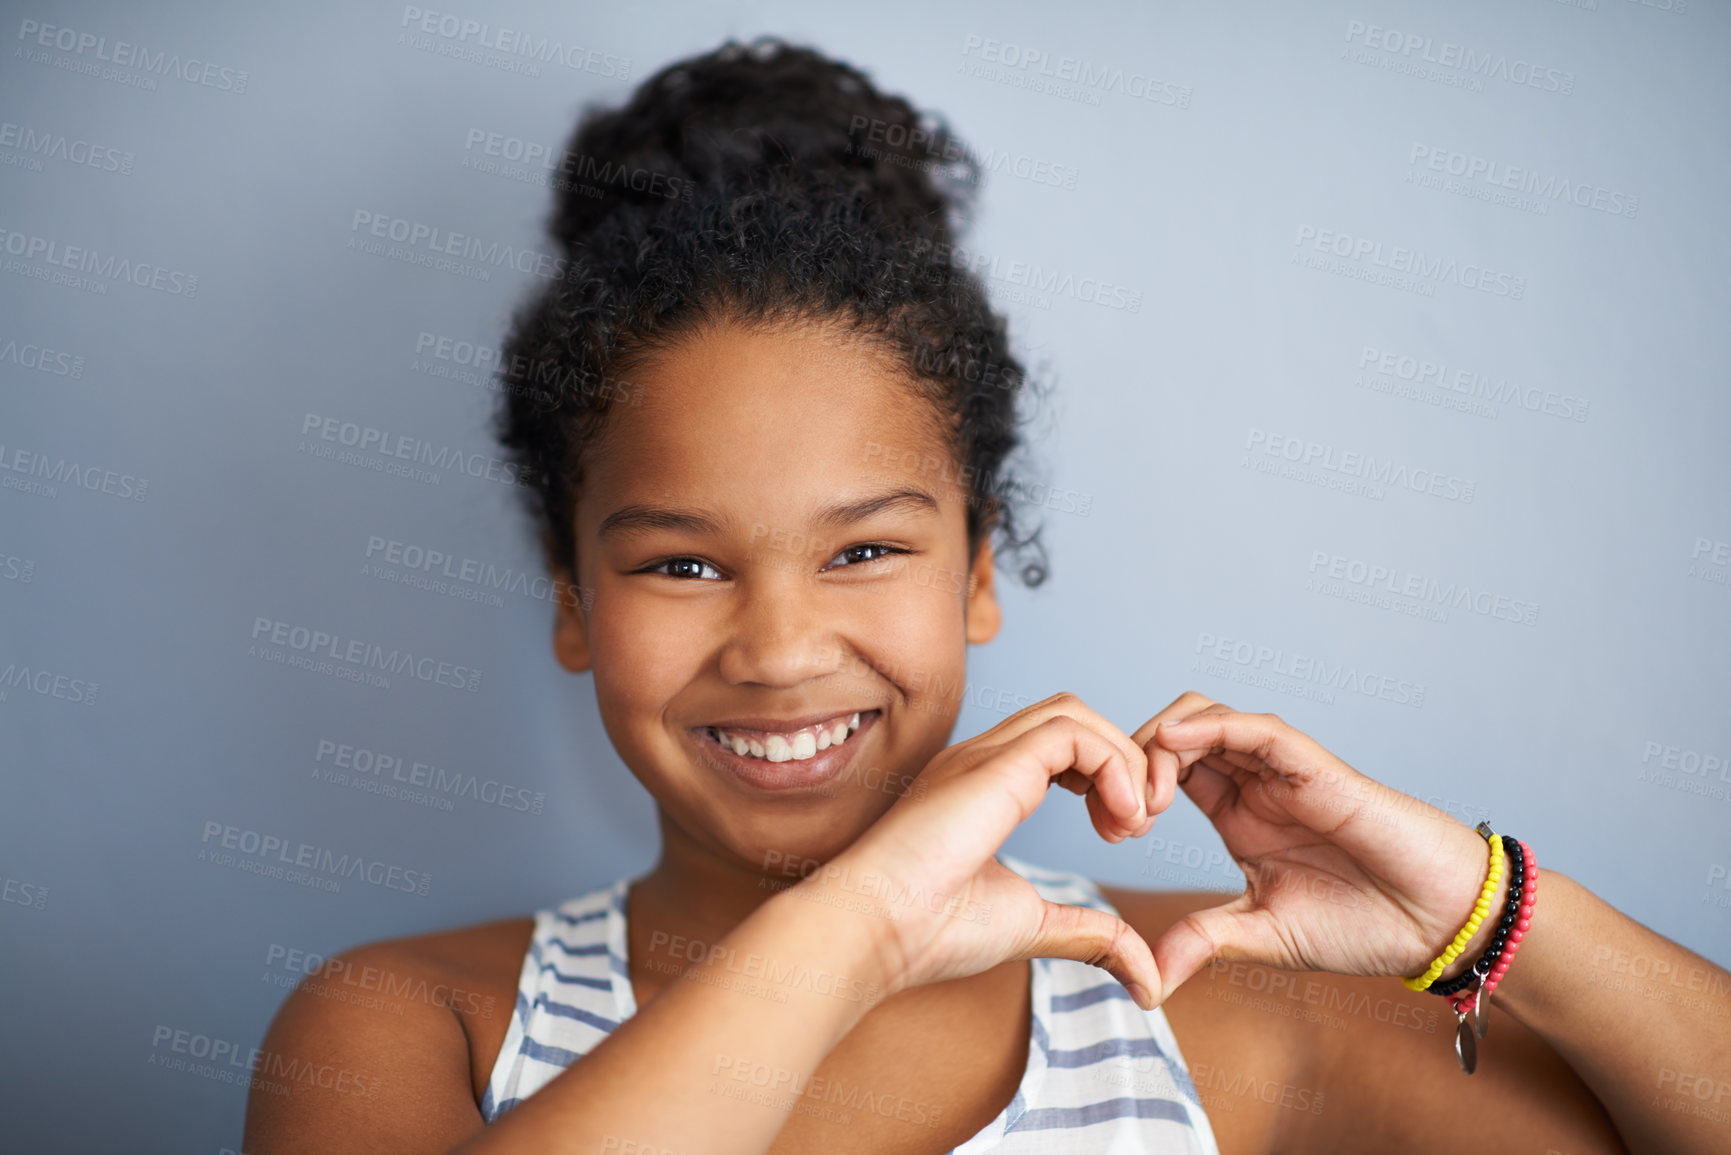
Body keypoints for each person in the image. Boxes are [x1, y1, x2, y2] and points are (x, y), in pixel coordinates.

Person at [242, 36, 1730, 1155]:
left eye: (866, 549)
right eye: (679, 563)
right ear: (571, 597)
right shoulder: (406, 1022)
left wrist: (1492, 913)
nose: (775, 649)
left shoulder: (1197, 1001)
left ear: (976, 573)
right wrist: (861, 928)